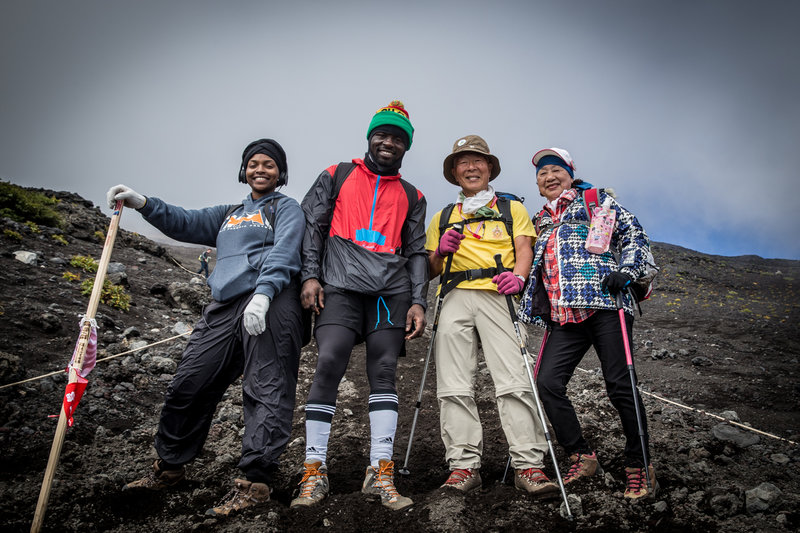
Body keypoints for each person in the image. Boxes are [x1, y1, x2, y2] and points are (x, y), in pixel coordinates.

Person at [106, 138, 305, 516]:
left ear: (280, 172)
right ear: (244, 170)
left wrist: (264, 293)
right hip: (225, 305)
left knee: (266, 386)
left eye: (269, 165)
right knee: (190, 380)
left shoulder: (287, 208)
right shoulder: (229, 214)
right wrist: (143, 203)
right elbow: (185, 220)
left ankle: (255, 483)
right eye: (253, 164)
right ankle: (169, 467)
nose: (260, 170)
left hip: (273, 302)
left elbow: (286, 250)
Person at [290, 100, 427, 511]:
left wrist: (419, 300)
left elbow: (417, 250)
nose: (389, 142)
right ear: (370, 137)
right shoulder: (337, 174)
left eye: (398, 138)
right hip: (340, 286)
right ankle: (314, 469)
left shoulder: (412, 194)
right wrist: (310, 275)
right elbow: (311, 224)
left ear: (406, 147)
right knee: (329, 359)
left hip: (390, 292)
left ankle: (379, 470)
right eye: (382, 134)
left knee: (383, 371)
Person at [517, 147, 658, 499]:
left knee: (619, 385)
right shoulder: (539, 220)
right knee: (546, 383)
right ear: (537, 184)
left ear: (570, 173)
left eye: (555, 170)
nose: (548, 177)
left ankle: (640, 465)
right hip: (564, 315)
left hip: (607, 305)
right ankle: (582, 454)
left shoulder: (597, 202)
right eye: (541, 174)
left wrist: (627, 271)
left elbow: (634, 236)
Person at [424, 135, 559, 498]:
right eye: (463, 162)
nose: (471, 167)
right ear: (454, 172)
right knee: (453, 385)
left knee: (514, 380)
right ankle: (462, 467)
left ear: (489, 168)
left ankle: (529, 465)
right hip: (453, 296)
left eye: (478, 161)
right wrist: (439, 250)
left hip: (498, 296)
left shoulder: (511, 208)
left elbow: (524, 249)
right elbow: (430, 268)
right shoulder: (443, 216)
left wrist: (518, 276)